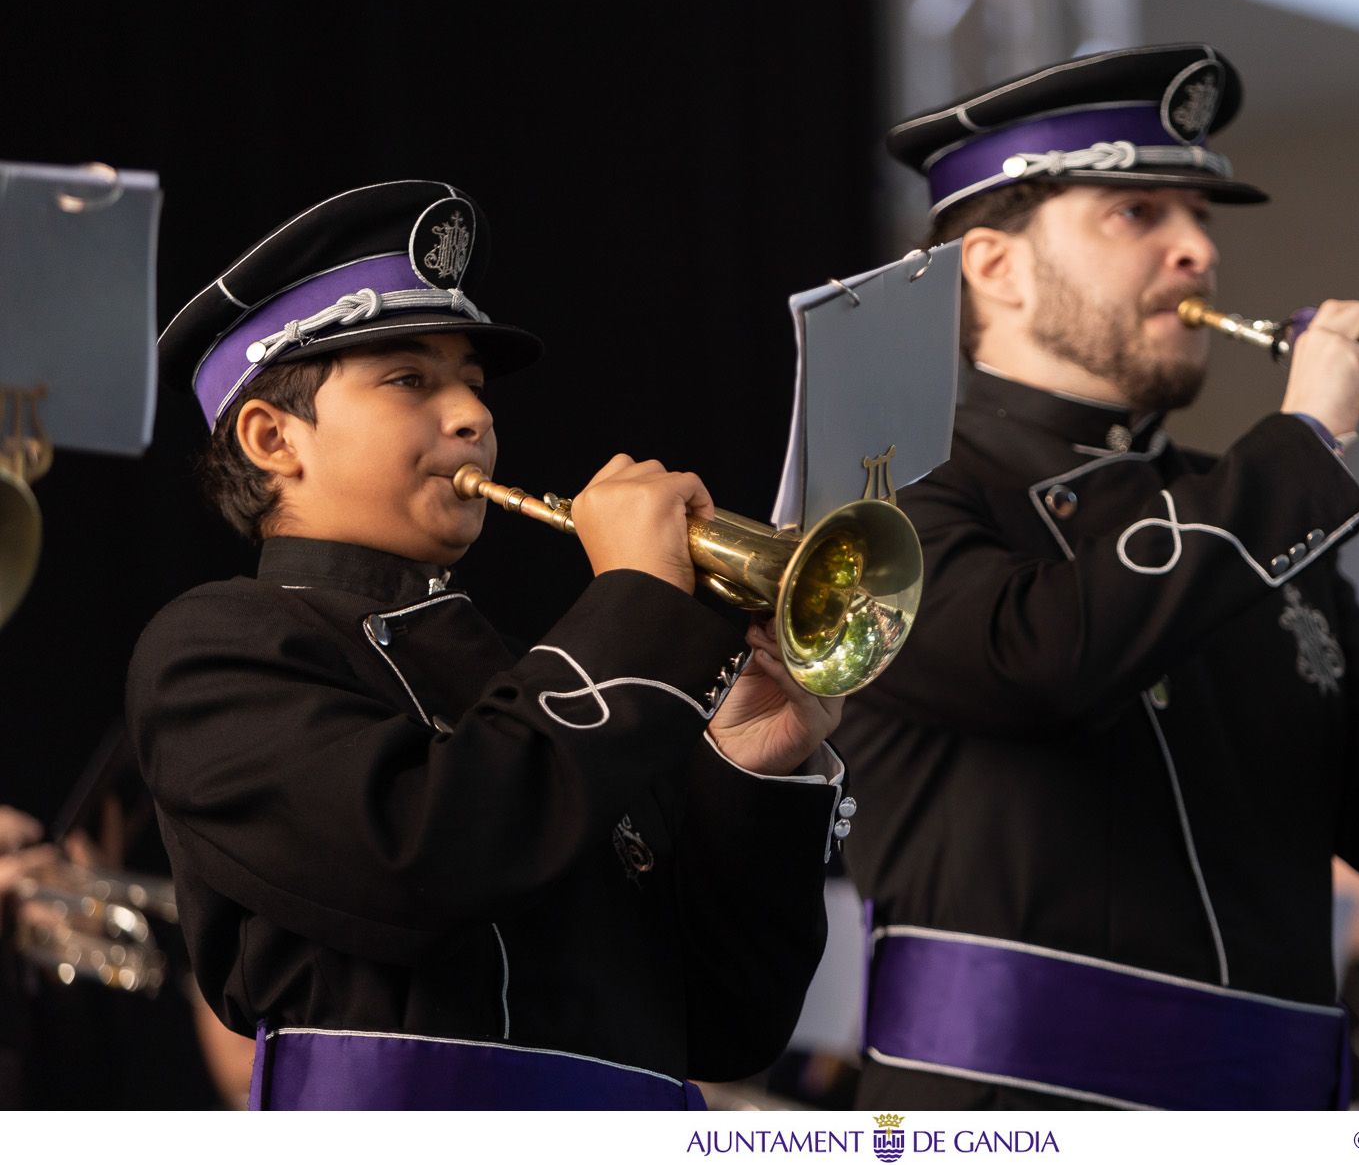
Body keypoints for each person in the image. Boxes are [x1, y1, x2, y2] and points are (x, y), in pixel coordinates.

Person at [836, 43, 1359, 1110]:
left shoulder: (1248, 507)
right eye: (1137, 212)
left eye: (1201, 216)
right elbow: (1036, 659)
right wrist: (1300, 446)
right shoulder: (882, 486)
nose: (1199, 250)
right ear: (994, 266)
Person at [132, 180, 853, 1109]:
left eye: (471, 382)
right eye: (410, 379)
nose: (473, 414)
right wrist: (634, 598)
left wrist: (748, 773)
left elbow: (728, 1021)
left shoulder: (544, 677)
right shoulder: (212, 649)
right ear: (273, 438)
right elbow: (428, 863)